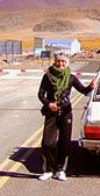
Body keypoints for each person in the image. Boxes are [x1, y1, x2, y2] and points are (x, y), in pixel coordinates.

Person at [36, 53, 94, 181]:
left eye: (63, 61)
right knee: (48, 143)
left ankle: (60, 169)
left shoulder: (71, 78)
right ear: (54, 62)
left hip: (66, 112)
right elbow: (40, 94)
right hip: (51, 112)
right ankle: (48, 170)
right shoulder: (47, 77)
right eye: (58, 61)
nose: (60, 64)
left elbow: (83, 91)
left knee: (64, 143)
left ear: (67, 63)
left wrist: (91, 86)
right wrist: (48, 104)